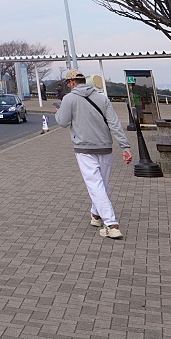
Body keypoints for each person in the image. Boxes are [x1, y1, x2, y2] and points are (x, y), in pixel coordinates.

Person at [55, 70, 132, 240]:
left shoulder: (69, 99)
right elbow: (114, 123)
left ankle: (111, 224)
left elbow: (62, 122)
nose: (68, 86)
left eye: (68, 83)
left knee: (96, 185)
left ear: (72, 82)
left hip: (84, 148)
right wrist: (125, 147)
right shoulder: (102, 98)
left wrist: (58, 112)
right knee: (101, 184)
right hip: (105, 147)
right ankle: (96, 216)